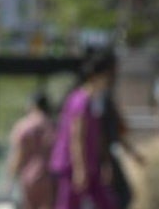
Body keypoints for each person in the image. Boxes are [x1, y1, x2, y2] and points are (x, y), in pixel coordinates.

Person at [50, 48, 120, 209]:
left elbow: (98, 135)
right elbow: (76, 136)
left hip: (91, 164)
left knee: (107, 203)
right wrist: (79, 169)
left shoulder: (96, 100)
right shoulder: (80, 100)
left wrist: (104, 162)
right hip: (73, 165)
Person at [6, 91, 56, 209]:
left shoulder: (23, 126)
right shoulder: (52, 125)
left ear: (32, 105)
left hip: (28, 177)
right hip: (48, 175)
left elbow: (18, 154)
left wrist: (10, 179)